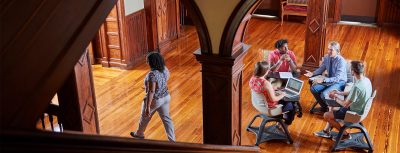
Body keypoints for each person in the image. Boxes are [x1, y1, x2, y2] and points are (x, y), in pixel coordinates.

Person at [314, 61, 372, 140]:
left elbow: (345, 104)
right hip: (359, 109)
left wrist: (335, 97)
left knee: (326, 115)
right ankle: (326, 131)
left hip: (353, 114)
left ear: (353, 71)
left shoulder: (357, 87)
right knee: (332, 107)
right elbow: (353, 92)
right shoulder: (366, 80)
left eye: (350, 69)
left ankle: (345, 134)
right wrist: (339, 93)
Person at [130, 51, 175, 142]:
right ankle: (172, 141)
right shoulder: (165, 69)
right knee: (167, 119)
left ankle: (139, 134)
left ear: (151, 62)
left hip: (155, 100)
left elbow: (151, 91)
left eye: (147, 61)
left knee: (144, 117)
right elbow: (165, 79)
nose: (147, 62)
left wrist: (147, 107)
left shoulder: (152, 74)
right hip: (166, 97)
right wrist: (150, 86)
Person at [304, 41, 348, 112]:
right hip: (329, 79)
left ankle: (332, 109)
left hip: (339, 82)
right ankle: (324, 107)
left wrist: (324, 80)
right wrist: (312, 73)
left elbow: (337, 78)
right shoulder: (327, 57)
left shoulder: (341, 61)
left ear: (337, 51)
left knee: (324, 94)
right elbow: (322, 68)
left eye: (331, 50)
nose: (328, 51)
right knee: (313, 89)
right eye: (328, 49)